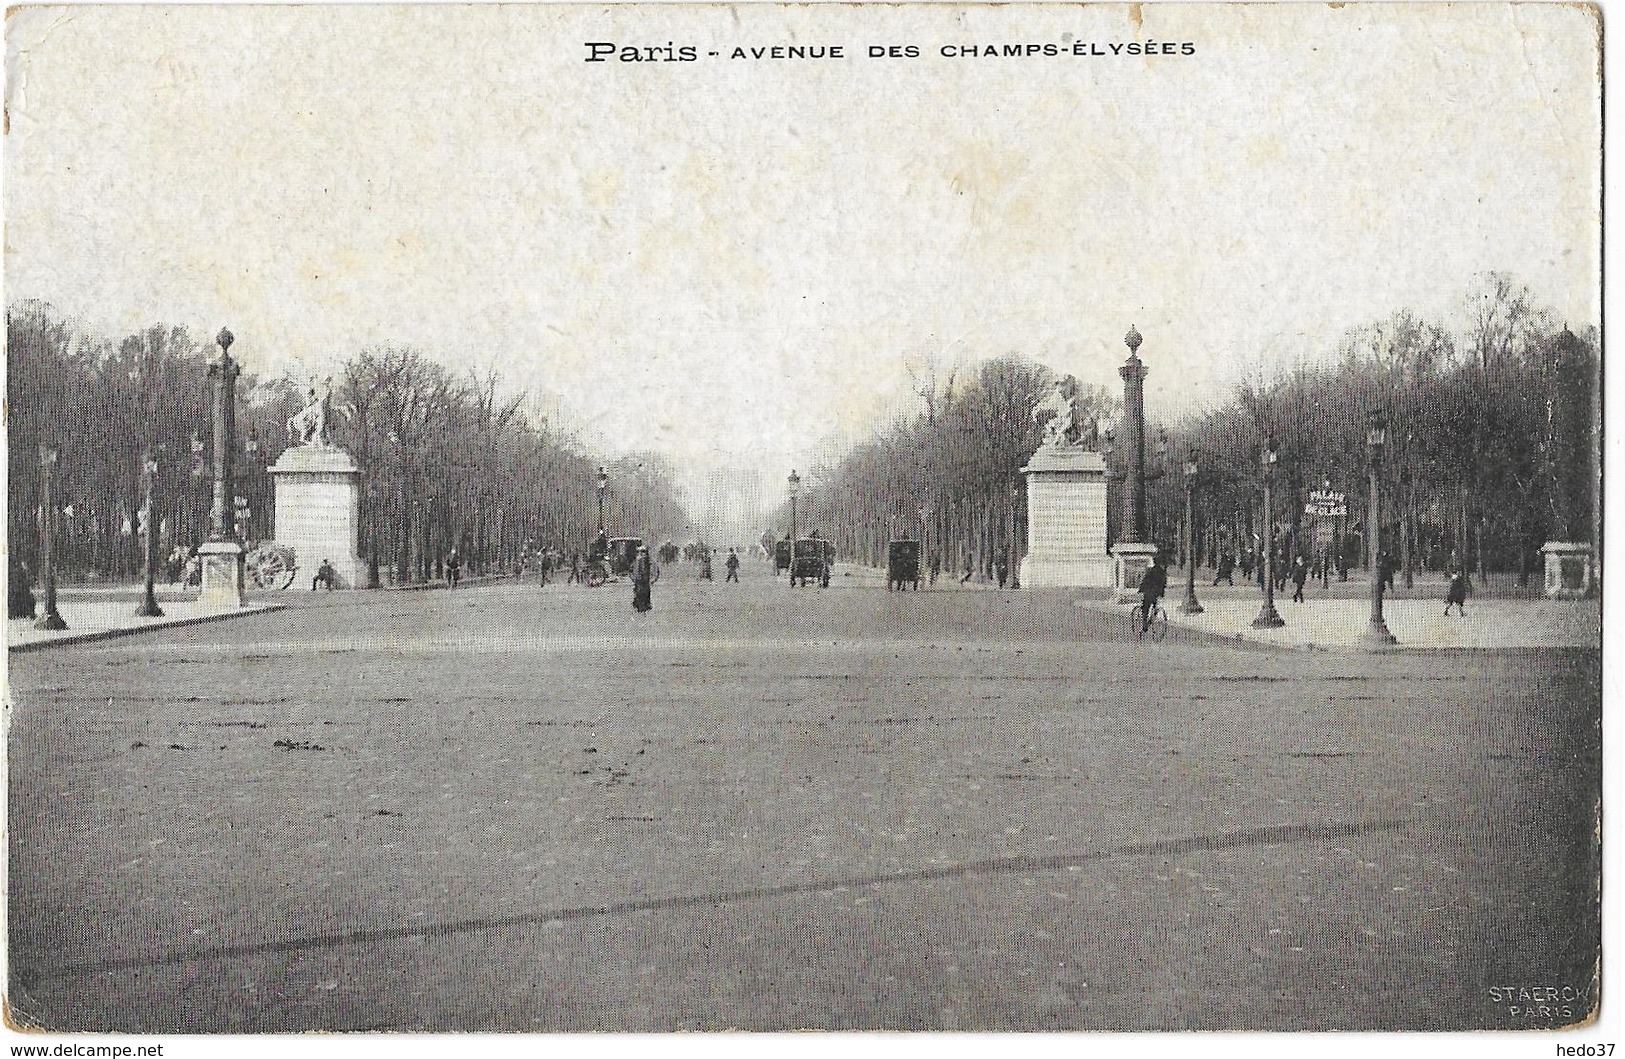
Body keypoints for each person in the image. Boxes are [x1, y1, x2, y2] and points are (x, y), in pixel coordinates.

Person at [1138, 555, 1168, 636]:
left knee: (1145, 608)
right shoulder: (1162, 573)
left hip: (1149, 593)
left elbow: (1145, 581)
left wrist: (1140, 590)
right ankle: (1151, 620)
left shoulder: (1151, 571)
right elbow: (1163, 584)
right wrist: (1161, 593)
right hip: (1156, 593)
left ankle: (1144, 624)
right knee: (1155, 607)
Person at [632, 545, 652, 613]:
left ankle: (639, 603)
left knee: (639, 591)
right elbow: (642, 569)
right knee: (644, 591)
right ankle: (644, 604)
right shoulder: (643, 559)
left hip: (640, 578)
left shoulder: (638, 558)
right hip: (642, 578)